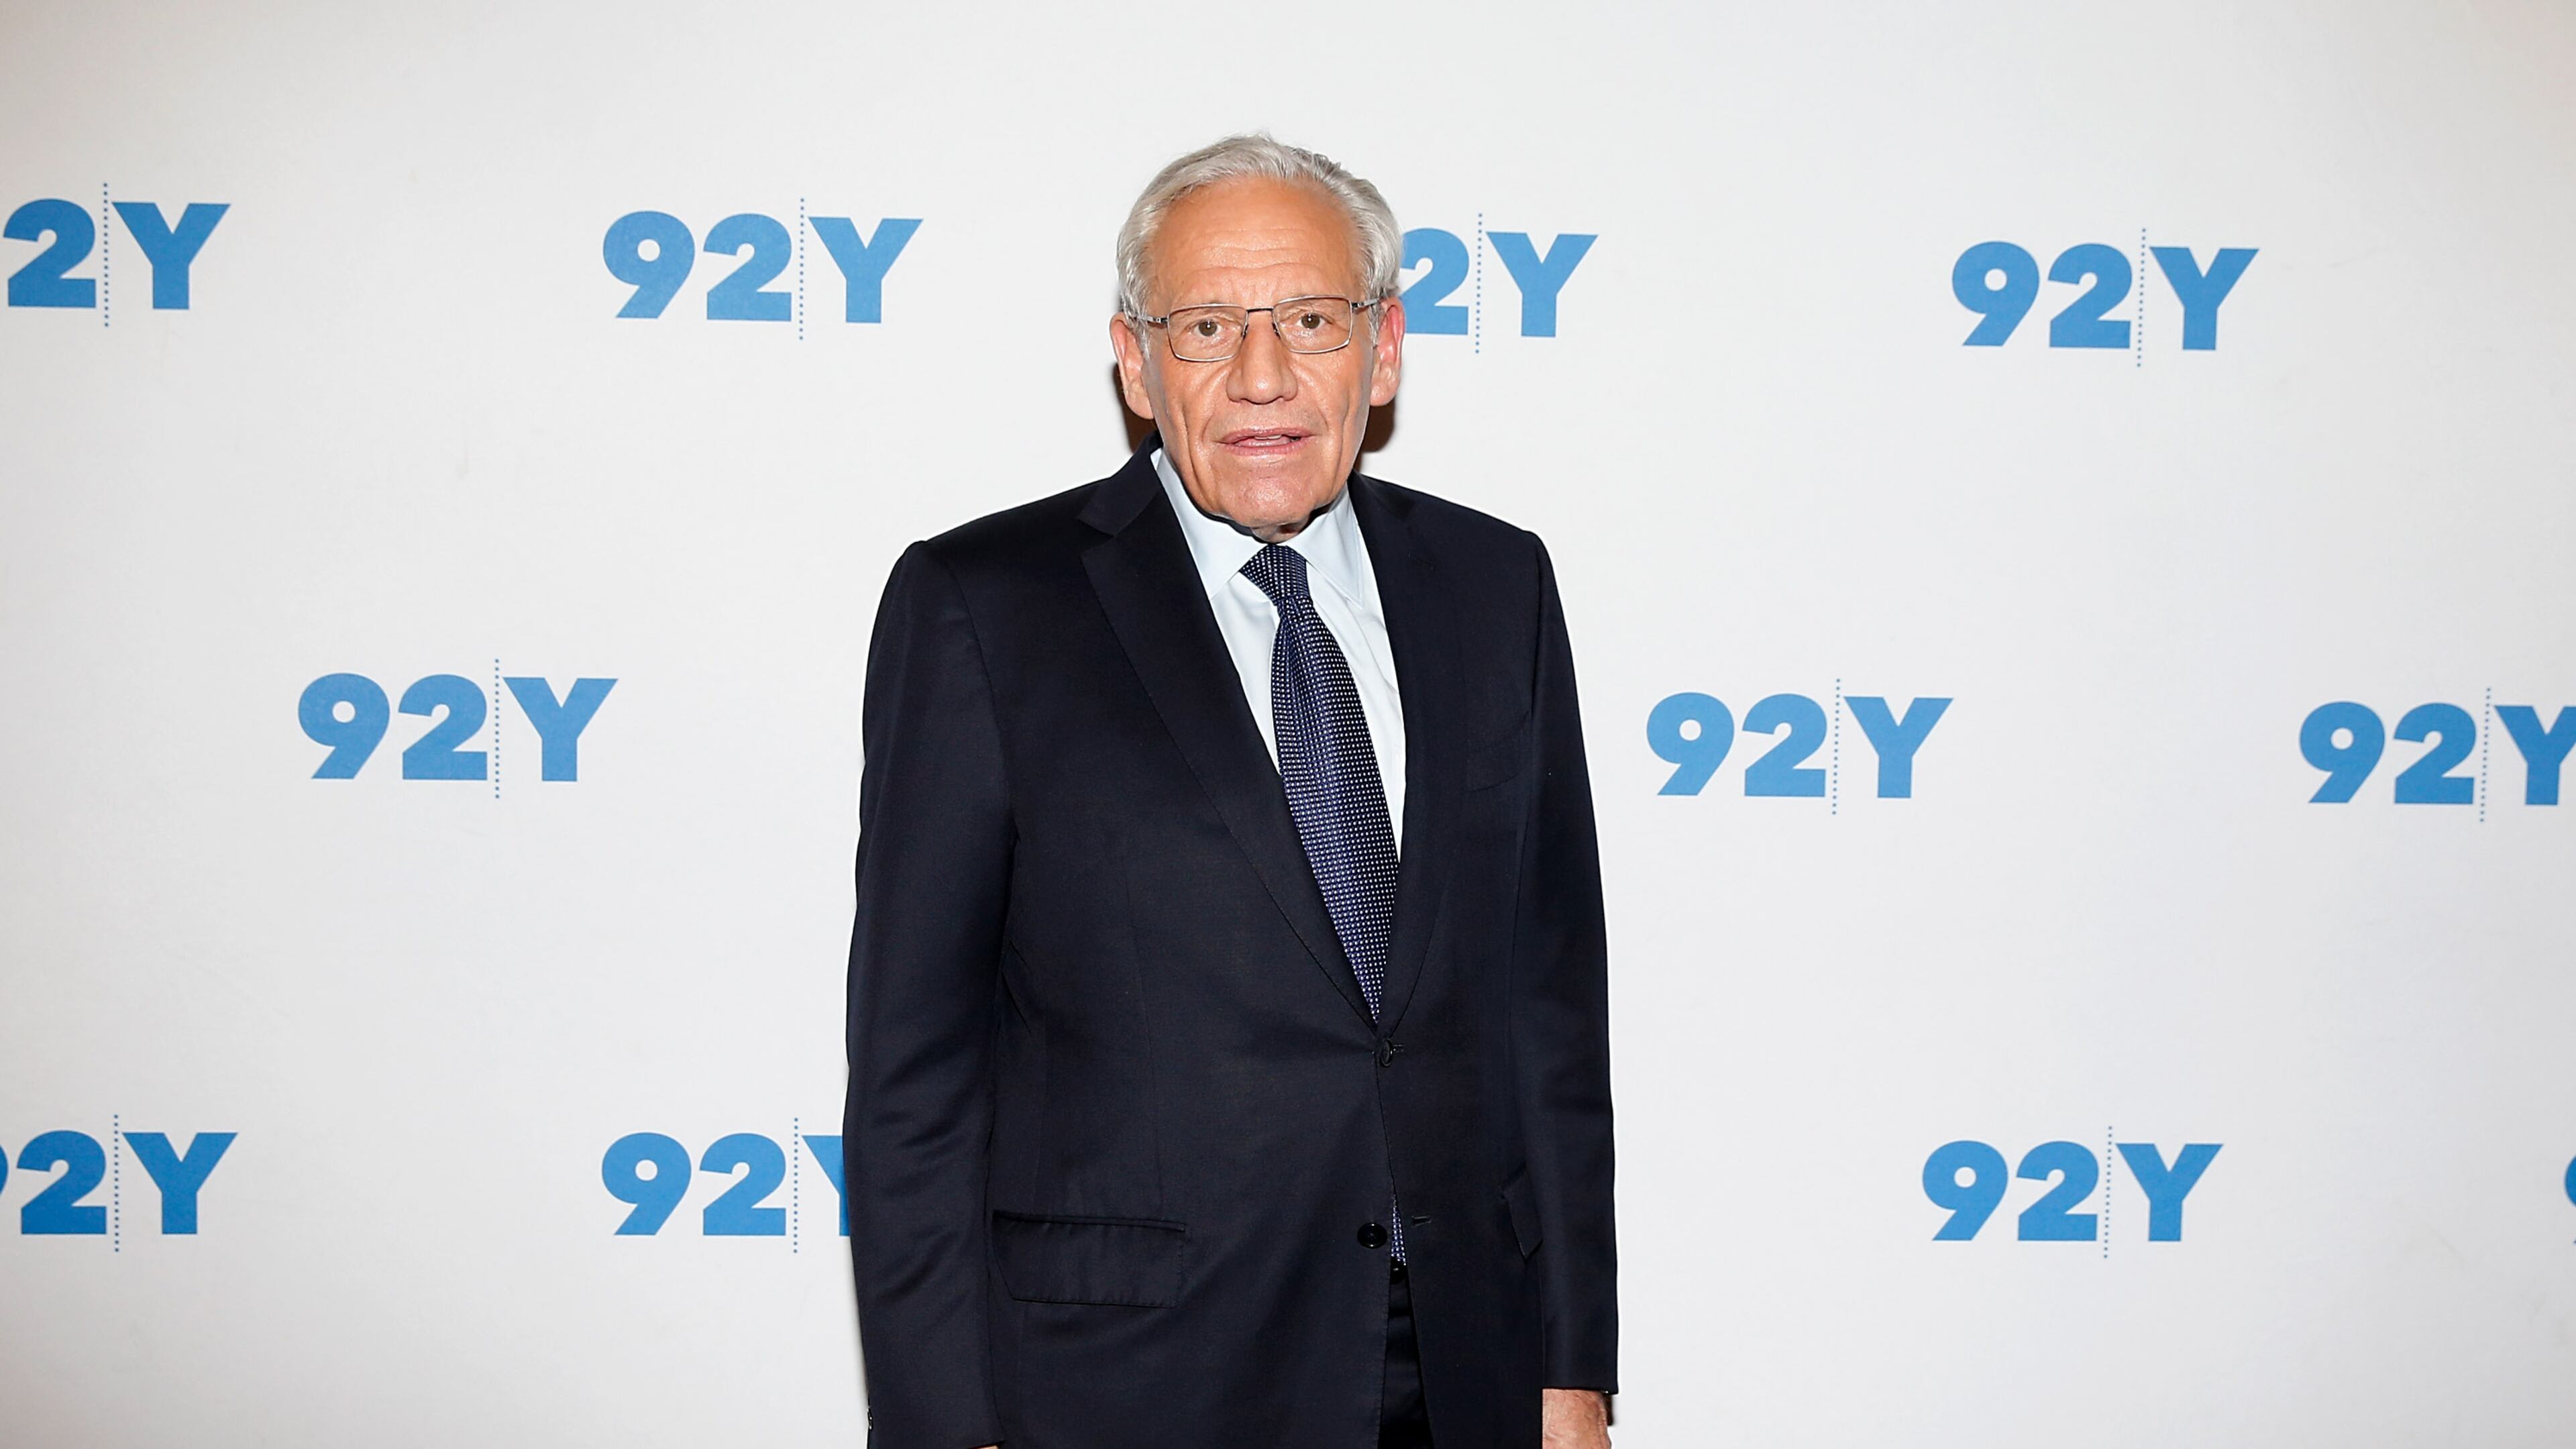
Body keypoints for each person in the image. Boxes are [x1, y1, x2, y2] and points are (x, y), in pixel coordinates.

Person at [844, 134, 1615, 1449]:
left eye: (1311, 319)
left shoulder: (1498, 589)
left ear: (1383, 350)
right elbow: (917, 1072)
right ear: (1138, 366)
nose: (1264, 375)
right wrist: (939, 1424)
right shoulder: (984, 607)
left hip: (1463, 1370)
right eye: (1206, 326)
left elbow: (1549, 1019)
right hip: (1124, 1383)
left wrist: (1570, 1370)